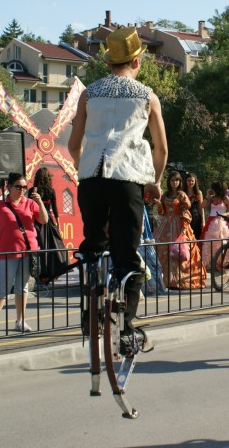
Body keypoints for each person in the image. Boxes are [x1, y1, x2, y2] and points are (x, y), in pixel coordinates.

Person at [68, 26, 167, 343]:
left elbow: (73, 144)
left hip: (91, 179)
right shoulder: (147, 96)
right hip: (127, 178)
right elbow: (161, 149)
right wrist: (155, 182)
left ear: (109, 63)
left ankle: (90, 310)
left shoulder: (89, 94)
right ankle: (125, 328)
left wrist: (83, 167)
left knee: (93, 246)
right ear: (136, 61)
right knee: (128, 257)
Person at [0, 172, 49, 336]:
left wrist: (40, 202)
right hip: (8, 252)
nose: (22, 190)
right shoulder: (0, 206)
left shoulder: (30, 203)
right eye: (18, 187)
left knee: (22, 288)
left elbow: (44, 220)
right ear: (9, 187)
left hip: (28, 252)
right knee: (2, 289)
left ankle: (20, 321)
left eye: (24, 187)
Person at [153, 171, 206, 289]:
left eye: (176, 180)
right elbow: (162, 212)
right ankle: (163, 280)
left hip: (179, 224)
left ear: (180, 182)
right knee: (161, 247)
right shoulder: (165, 194)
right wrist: (158, 204)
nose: (174, 182)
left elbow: (185, 212)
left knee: (179, 251)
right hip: (165, 224)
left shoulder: (182, 195)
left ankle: (178, 280)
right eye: (172, 180)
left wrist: (183, 228)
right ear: (169, 182)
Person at [29, 167, 66, 282]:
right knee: (53, 247)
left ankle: (41, 274)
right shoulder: (51, 191)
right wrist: (58, 225)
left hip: (35, 221)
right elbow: (55, 209)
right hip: (48, 221)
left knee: (39, 246)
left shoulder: (32, 191)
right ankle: (54, 272)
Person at [200, 181, 229, 265]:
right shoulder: (211, 198)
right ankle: (208, 262)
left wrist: (223, 215)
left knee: (220, 243)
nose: (212, 190)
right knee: (207, 243)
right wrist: (207, 196)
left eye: (213, 188)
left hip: (221, 222)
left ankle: (219, 262)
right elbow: (202, 206)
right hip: (210, 222)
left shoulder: (226, 199)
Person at [185, 173, 205, 240]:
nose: (190, 182)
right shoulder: (182, 192)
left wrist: (203, 221)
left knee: (196, 237)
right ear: (186, 181)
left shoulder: (198, 193)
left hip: (196, 218)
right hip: (185, 218)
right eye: (189, 180)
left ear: (195, 182)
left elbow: (201, 207)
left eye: (192, 181)